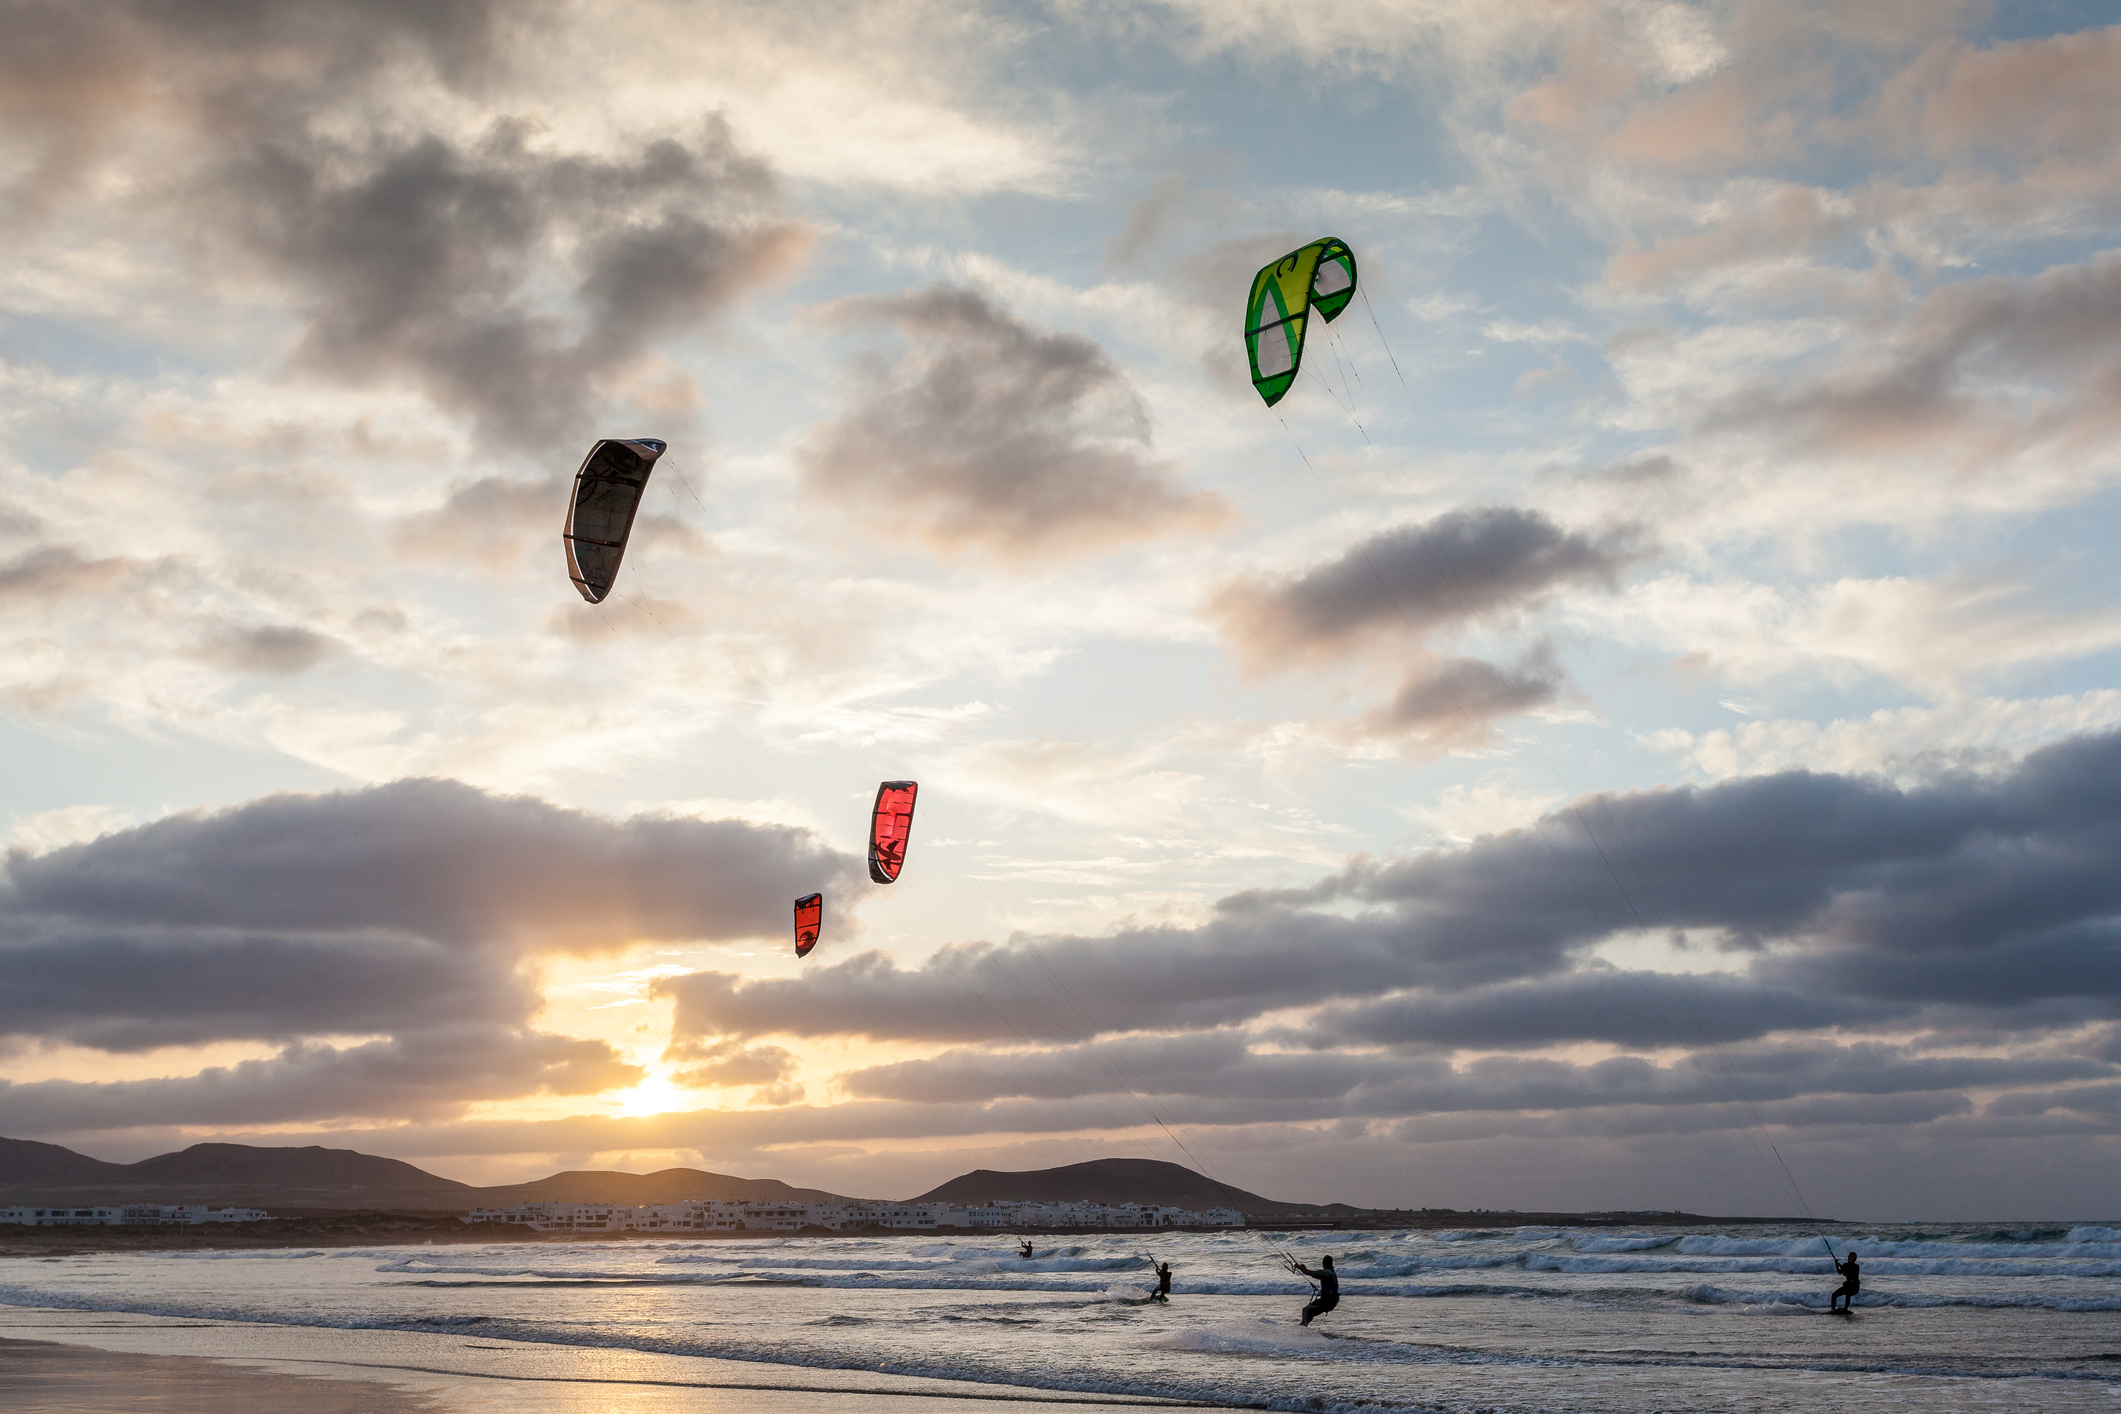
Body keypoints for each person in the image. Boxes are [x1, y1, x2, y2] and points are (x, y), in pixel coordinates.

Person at [1291, 1254, 1338, 1326]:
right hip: (1330, 1302)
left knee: (1305, 1310)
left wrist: (1302, 1267)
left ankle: (1302, 1328)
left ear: (1324, 1263)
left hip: (1326, 1302)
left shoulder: (1327, 1272)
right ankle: (1305, 1328)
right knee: (1310, 1314)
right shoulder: (1330, 1273)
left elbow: (1309, 1272)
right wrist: (1302, 1268)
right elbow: (1313, 1275)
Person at [1829, 1249, 1860, 1313]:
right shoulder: (1845, 1265)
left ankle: (1845, 1308)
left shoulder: (1856, 1267)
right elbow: (1839, 1272)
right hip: (1847, 1286)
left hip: (1854, 1287)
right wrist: (1836, 1264)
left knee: (1848, 1293)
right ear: (1848, 1257)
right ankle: (1832, 1310)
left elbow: (1854, 1275)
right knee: (1834, 1295)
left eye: (1854, 1257)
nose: (1853, 1258)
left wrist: (1845, 1271)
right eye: (1852, 1257)